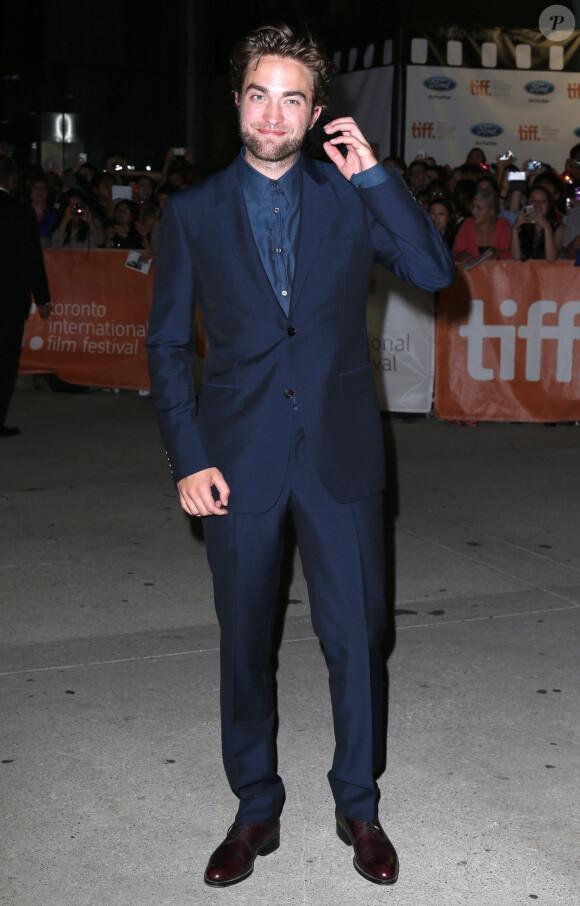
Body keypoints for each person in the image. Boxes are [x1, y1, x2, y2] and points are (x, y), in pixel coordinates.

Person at [146, 22, 454, 890]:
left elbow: (433, 272)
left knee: (357, 637)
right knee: (245, 640)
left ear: (318, 113)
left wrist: (378, 177)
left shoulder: (352, 196)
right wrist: (187, 455)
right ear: (237, 102)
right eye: (259, 95)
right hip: (235, 458)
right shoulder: (193, 212)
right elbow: (166, 346)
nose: (273, 114)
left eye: (292, 99)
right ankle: (255, 806)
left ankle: (359, 803)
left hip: (340, 454)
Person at [0, 154, 51, 436]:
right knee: (5, 362)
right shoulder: (21, 213)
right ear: (12, 180)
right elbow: (33, 260)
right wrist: (42, 298)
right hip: (9, 301)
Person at [453, 190, 512, 263]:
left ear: (492, 211)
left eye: (479, 208)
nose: (473, 211)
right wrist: (461, 255)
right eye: (473, 207)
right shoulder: (468, 224)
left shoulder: (503, 224)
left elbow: (511, 256)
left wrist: (497, 253)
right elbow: (455, 253)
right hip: (471, 270)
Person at [510, 185, 564, 262]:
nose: (537, 204)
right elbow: (516, 256)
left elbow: (551, 258)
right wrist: (514, 229)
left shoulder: (559, 228)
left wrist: (547, 227)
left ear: (549, 205)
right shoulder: (522, 225)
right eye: (533, 200)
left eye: (543, 200)